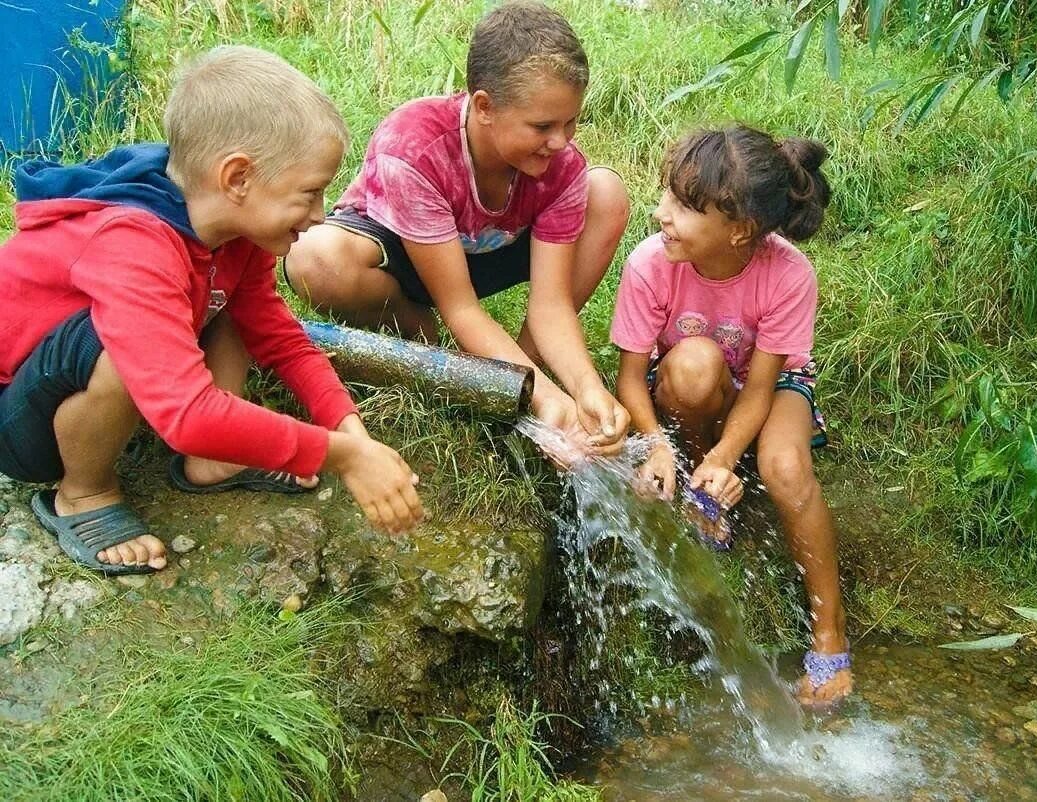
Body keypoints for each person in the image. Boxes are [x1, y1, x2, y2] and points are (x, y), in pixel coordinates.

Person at [0, 45, 424, 577]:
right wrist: (338, 455)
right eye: (310, 192)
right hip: (17, 421)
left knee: (233, 309)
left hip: (89, 389)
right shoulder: (133, 243)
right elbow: (186, 415)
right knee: (115, 342)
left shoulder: (235, 233)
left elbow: (281, 339)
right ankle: (83, 493)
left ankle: (216, 459)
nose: (322, 214)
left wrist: (355, 434)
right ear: (238, 178)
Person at [284, 0, 630, 460]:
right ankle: (429, 342)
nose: (561, 141)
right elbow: (460, 305)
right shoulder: (414, 146)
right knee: (313, 257)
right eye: (543, 125)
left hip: (489, 251)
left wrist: (585, 387)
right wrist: (547, 398)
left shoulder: (560, 167)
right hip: (400, 255)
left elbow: (552, 305)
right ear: (484, 106)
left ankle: (524, 375)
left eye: (571, 122)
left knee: (605, 192)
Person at [609, 125, 851, 706]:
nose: (662, 212)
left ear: (740, 231)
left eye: (686, 206)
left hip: (767, 389)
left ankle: (830, 636)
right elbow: (627, 378)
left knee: (786, 468)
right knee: (693, 365)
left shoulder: (789, 274)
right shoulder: (652, 263)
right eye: (667, 194)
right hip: (692, 388)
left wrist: (727, 455)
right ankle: (702, 489)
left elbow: (763, 386)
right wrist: (658, 445)